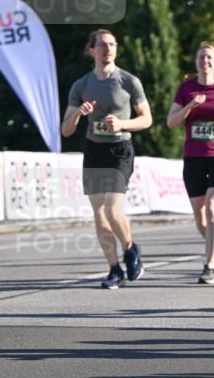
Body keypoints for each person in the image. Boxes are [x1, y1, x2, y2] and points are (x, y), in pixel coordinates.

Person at [61, 29, 152, 288]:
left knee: (113, 209)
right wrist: (79, 113)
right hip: (94, 150)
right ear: (92, 50)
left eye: (112, 44)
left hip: (120, 150)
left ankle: (131, 248)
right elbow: (66, 130)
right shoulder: (81, 85)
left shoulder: (128, 81)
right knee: (99, 215)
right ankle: (114, 269)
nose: (108, 49)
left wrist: (122, 123)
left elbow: (147, 119)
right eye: (102, 45)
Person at [167, 42, 214, 283]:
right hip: (193, 158)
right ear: (196, 62)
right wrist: (190, 106)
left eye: (210, 58)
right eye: (201, 57)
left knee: (213, 210)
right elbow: (171, 121)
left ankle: (209, 266)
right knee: (200, 217)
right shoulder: (186, 88)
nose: (205, 61)